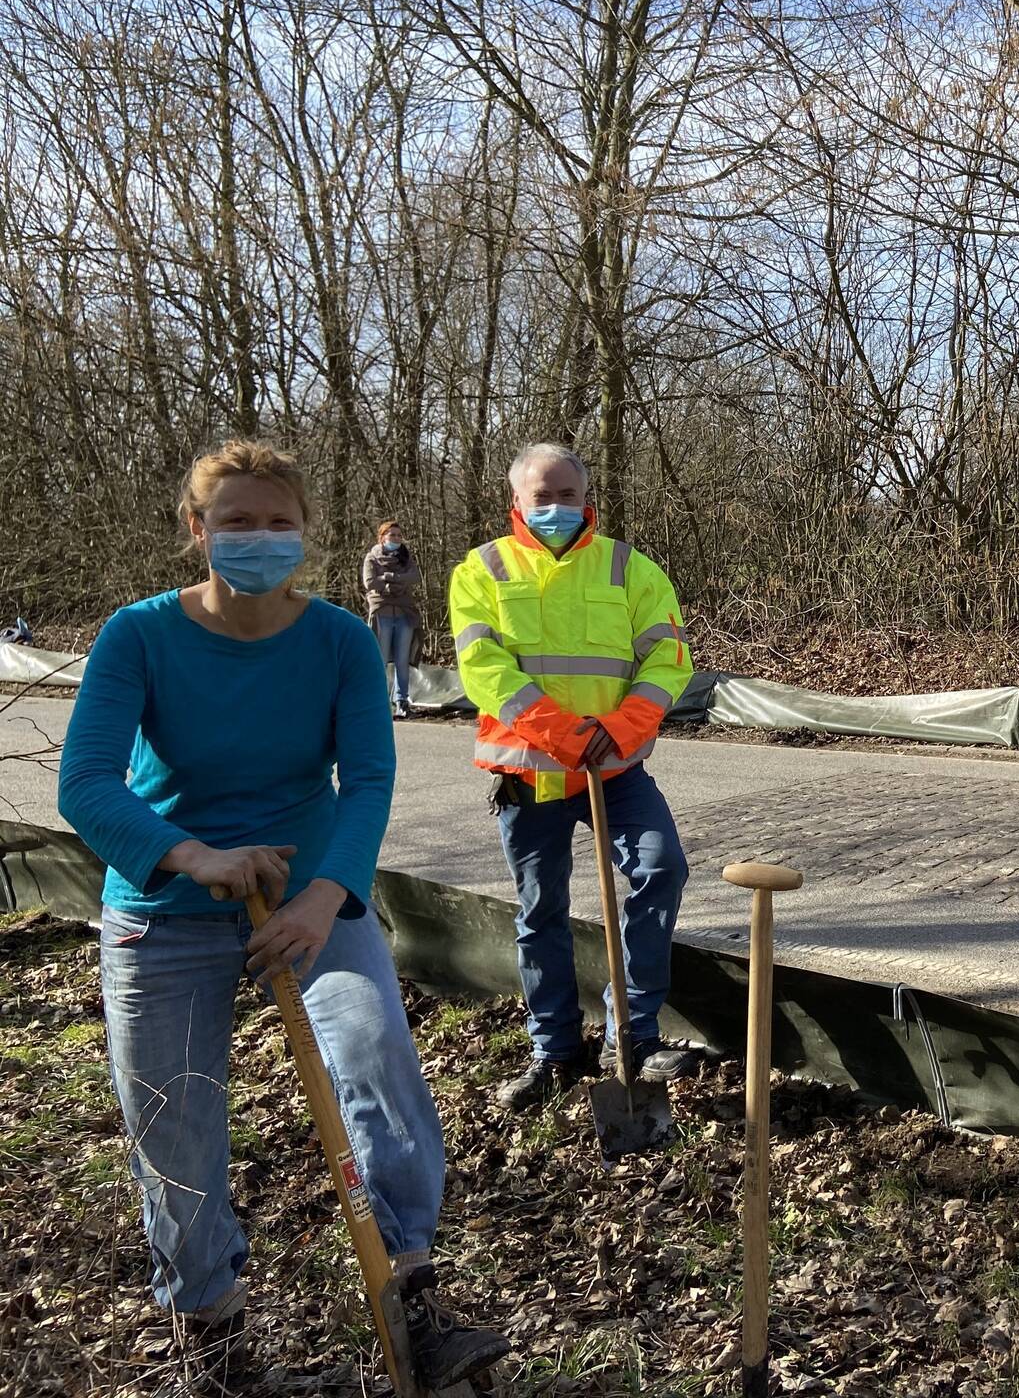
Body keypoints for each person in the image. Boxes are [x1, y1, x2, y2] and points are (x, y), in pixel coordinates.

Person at [55, 440, 509, 1387]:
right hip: (165, 907)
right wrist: (192, 855)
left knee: (377, 1048)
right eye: (236, 521)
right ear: (197, 530)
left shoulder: (341, 639)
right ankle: (211, 1327)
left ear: (304, 532)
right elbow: (88, 784)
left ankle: (410, 1286)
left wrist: (322, 897)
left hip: (314, 898)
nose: (259, 537)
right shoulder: (138, 635)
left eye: (277, 522)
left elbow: (369, 778)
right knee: (170, 1116)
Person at [449, 442, 699, 1110]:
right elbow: (484, 667)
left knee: (661, 868)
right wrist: (561, 732)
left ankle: (633, 1036)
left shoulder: (631, 569)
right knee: (540, 911)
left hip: (615, 767)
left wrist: (619, 730)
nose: (556, 507)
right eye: (543, 495)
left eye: (567, 494)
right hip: (529, 773)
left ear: (587, 498)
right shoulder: (481, 571)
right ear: (517, 500)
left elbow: (669, 660)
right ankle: (553, 1049)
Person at [363, 519, 424, 718]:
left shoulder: (405, 557)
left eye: (398, 535)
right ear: (382, 538)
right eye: (392, 535)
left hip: (405, 614)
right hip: (383, 613)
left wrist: (389, 579)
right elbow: (370, 582)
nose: (396, 539)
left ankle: (401, 702)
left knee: (402, 660)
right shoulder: (372, 558)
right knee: (379, 660)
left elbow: (414, 577)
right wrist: (394, 583)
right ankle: (378, 703)